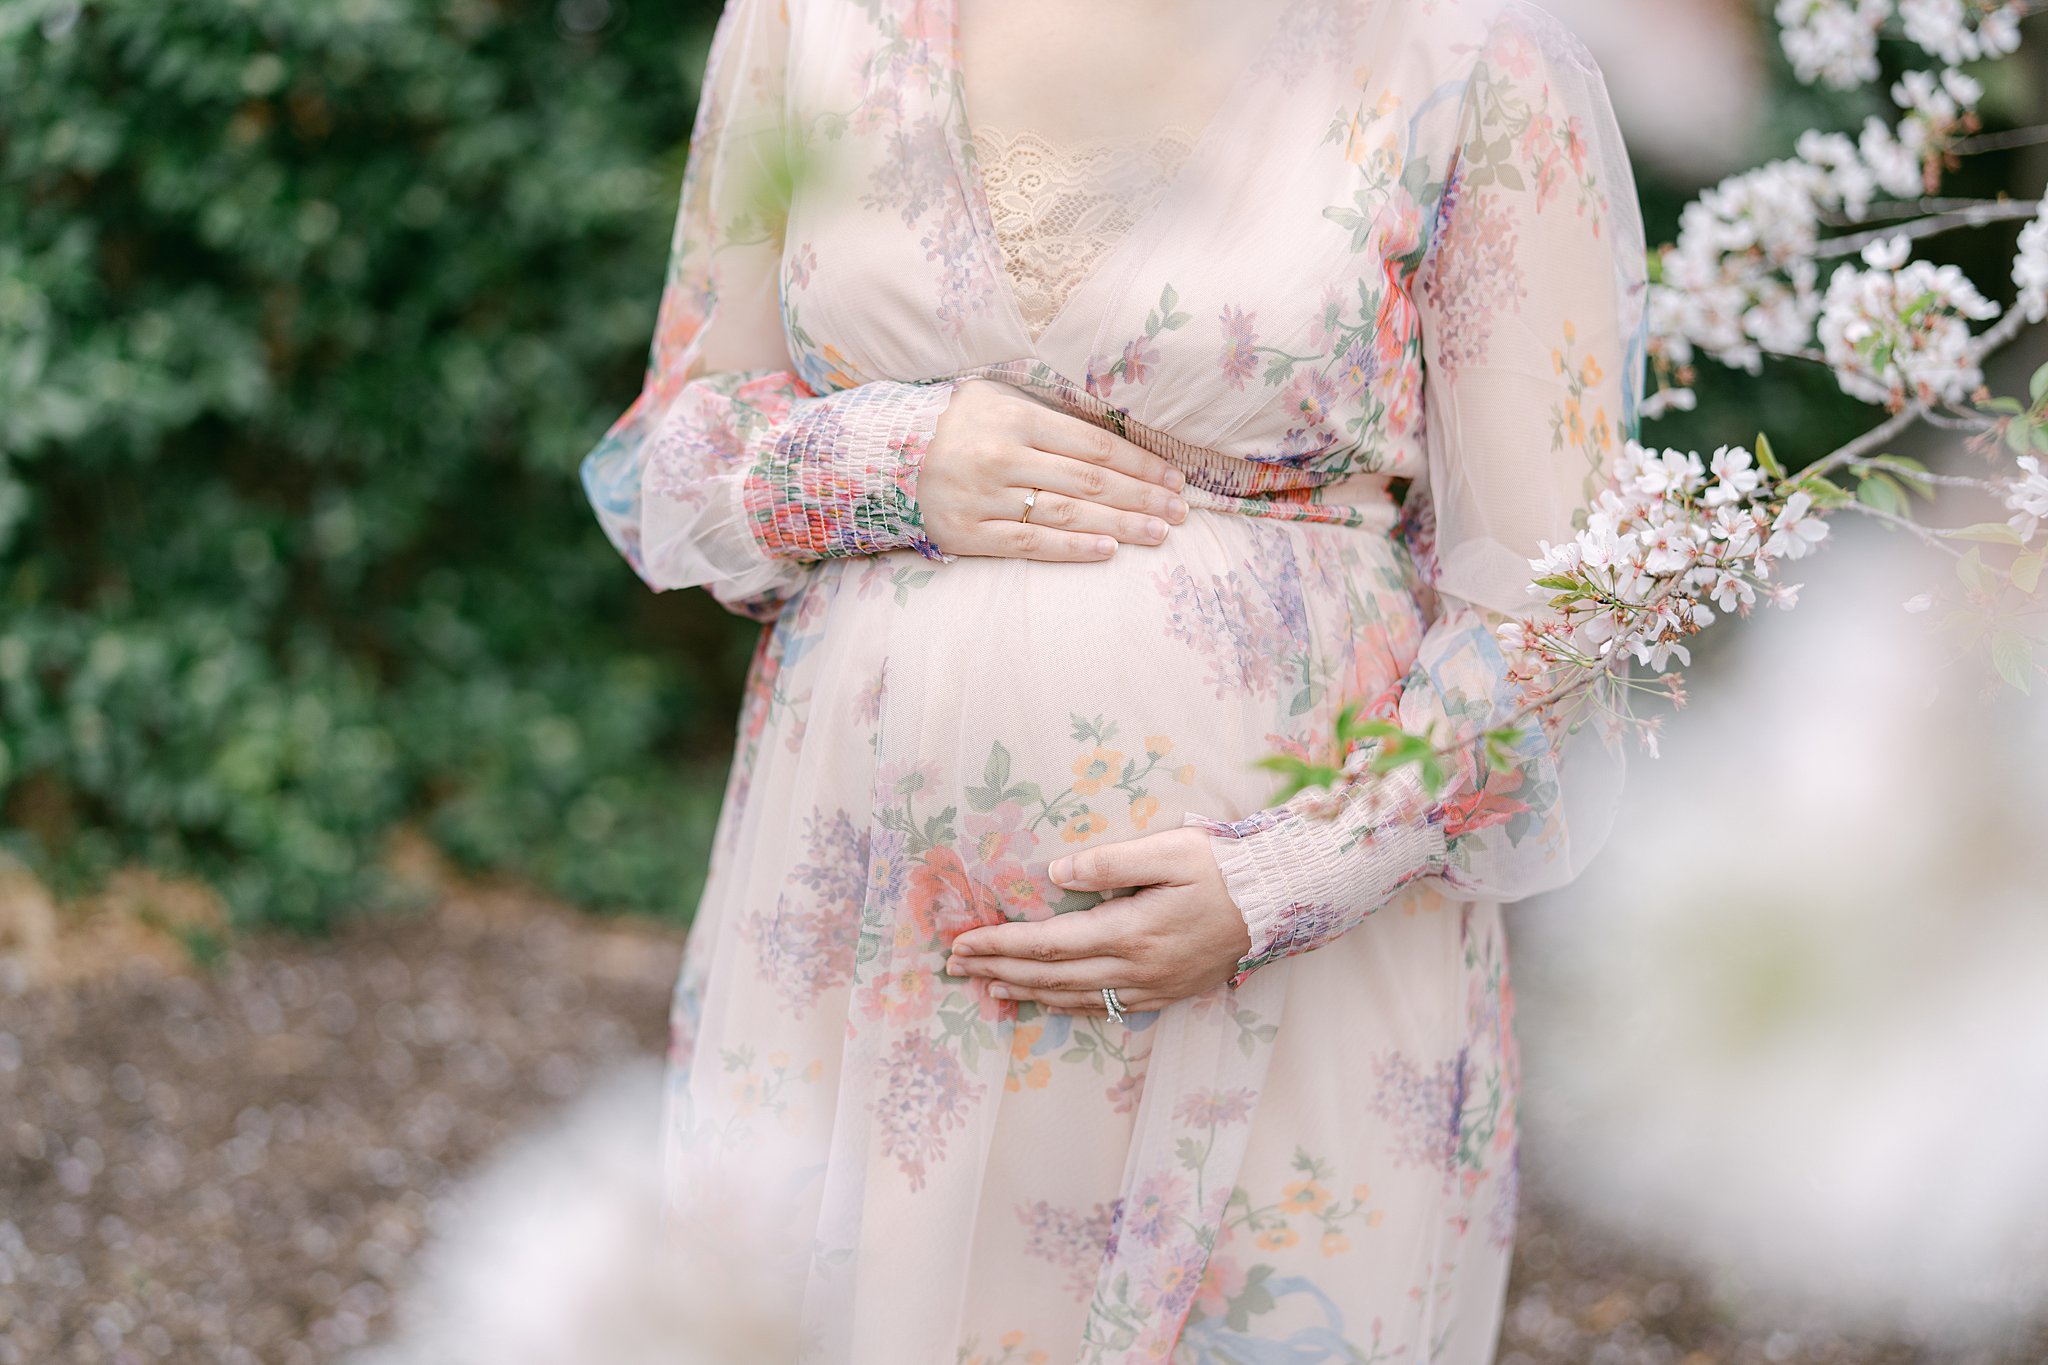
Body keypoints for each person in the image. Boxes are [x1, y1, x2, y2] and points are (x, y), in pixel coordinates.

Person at [578, 0, 1647, 1359]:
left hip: (1276, 971)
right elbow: (672, 454)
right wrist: (885, 461)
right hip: (863, 950)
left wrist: (1290, 876)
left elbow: (1561, 589)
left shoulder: (1464, 50)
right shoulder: (811, 21)